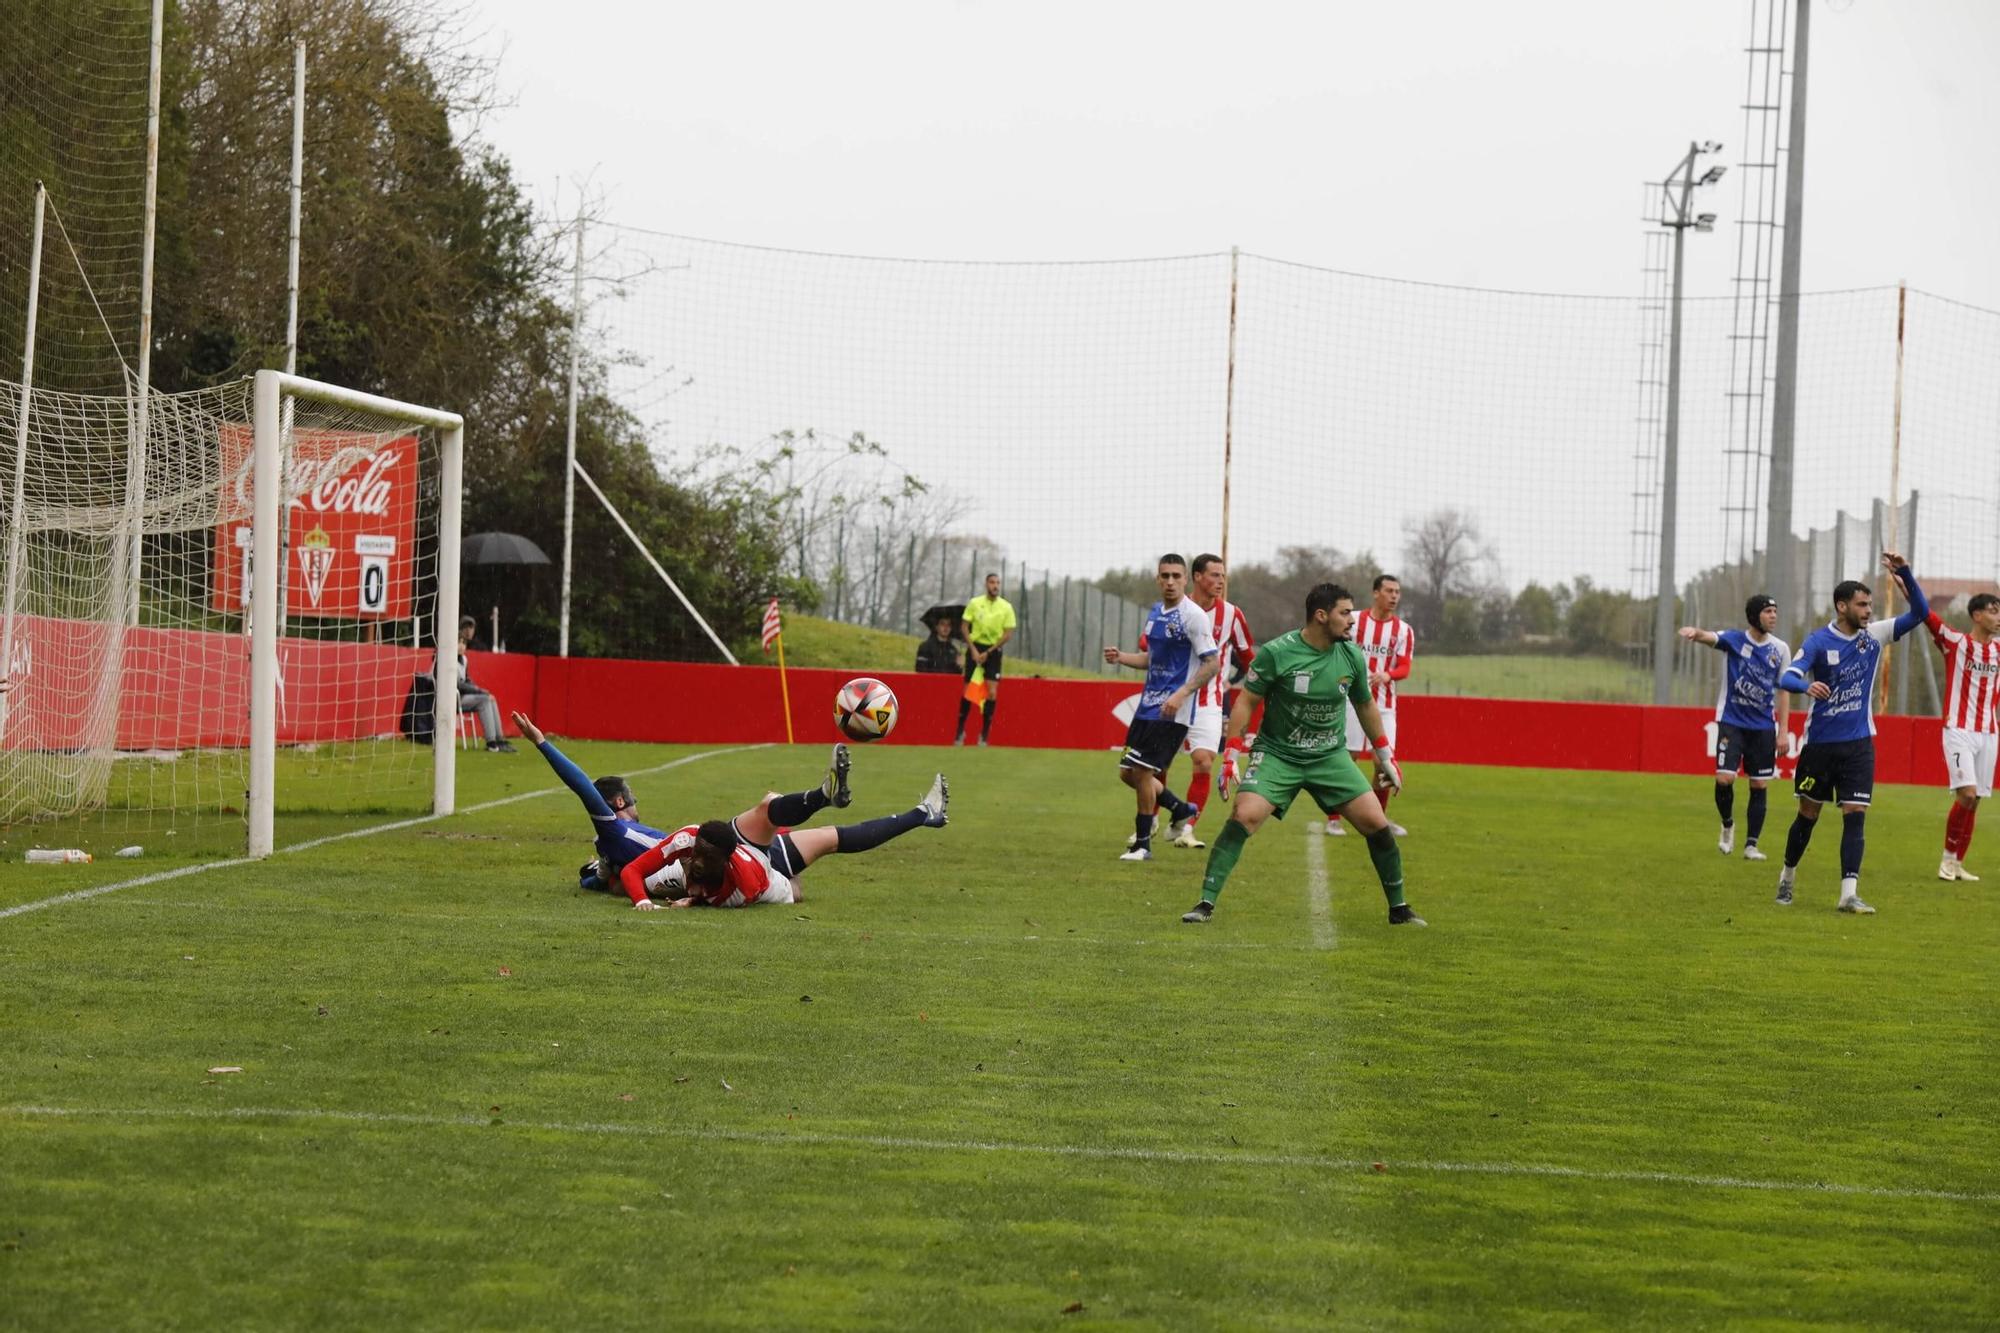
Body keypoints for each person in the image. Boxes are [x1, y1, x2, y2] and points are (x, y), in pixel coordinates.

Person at [1181, 582, 1425, 927]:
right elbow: (1247, 700)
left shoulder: (1351, 655)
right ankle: (1205, 903)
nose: (1351, 621)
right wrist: (1231, 755)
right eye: (1345, 613)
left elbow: (1365, 704)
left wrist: (1386, 755)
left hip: (1330, 757)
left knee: (1377, 824)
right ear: (1321, 616)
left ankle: (1399, 909)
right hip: (1278, 755)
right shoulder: (1277, 652)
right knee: (1244, 815)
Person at [512, 709, 826, 890]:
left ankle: (813, 814)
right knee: (776, 819)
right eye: (631, 798)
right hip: (710, 862)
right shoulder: (613, 832)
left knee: (786, 834)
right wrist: (541, 742)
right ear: (619, 802)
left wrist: (593, 878)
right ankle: (820, 803)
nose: (636, 803)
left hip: (698, 861)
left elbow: (599, 881)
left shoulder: (609, 844)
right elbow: (582, 785)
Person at [1772, 552, 1929, 914]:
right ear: (1841, 606)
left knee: (1855, 813)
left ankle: (1848, 894)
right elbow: (1788, 676)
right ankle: (1787, 876)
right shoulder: (1816, 642)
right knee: (1807, 817)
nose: (1869, 611)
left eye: (1870, 605)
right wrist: (1805, 688)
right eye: (1862, 605)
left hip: (1859, 744)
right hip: (1820, 746)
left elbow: (1919, 614)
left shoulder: (1873, 637)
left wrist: (1904, 573)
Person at [615, 766, 950, 909]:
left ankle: (822, 794)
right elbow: (631, 873)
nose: (694, 867)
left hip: (754, 857)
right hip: (771, 875)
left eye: (698, 870)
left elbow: (632, 874)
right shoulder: (743, 888)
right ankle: (924, 814)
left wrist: (678, 900)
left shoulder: (740, 879)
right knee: (831, 839)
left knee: (767, 806)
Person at [1103, 553, 1219, 862]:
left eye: (1176, 576)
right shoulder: (1156, 612)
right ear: (1158, 579)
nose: (1170, 582)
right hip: (1147, 707)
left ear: (1185, 579)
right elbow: (1153, 659)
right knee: (1127, 773)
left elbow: (1212, 663)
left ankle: (1142, 845)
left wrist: (1181, 694)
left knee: (1141, 772)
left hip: (1172, 711)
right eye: (1165, 576)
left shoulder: (1194, 616)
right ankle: (1180, 809)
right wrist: (1122, 657)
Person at [1678, 594, 1792, 861]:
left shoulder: (1781, 649)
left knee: (1759, 784)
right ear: (1754, 616)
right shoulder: (1736, 640)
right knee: (1724, 778)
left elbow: (1785, 689)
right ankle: (1727, 824)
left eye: (1775, 611)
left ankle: (1751, 845)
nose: (1773, 616)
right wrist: (1695, 633)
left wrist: (1783, 730)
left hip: (1763, 726)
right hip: (1732, 721)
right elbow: (1712, 637)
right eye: (1768, 611)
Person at [1167, 553, 1255, 850]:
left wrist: (1254, 681)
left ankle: (1188, 828)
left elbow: (1247, 656)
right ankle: (1151, 821)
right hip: (1172, 697)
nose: (1220, 581)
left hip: (1210, 700)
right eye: (1214, 575)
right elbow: (1148, 644)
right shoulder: (1174, 608)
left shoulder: (1232, 614)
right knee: (1156, 765)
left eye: (1223, 576)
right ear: (1197, 577)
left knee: (1204, 761)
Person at [1327, 574, 1413, 838]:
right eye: (1389, 591)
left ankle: (1379, 820)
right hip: (1351, 701)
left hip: (1385, 705)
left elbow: (1405, 667)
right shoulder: (1354, 620)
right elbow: (1335, 650)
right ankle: (1333, 818)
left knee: (1382, 762)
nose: (1394, 596)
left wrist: (1388, 675)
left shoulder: (1403, 630)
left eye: (1397, 592)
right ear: (1376, 593)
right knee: (1347, 758)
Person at [1924, 591, 2000, 882]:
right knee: (1966, 794)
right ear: (1977, 615)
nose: (1997, 616)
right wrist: (1903, 576)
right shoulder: (1956, 642)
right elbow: (1927, 615)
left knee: (1976, 799)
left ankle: (1957, 863)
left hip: (1989, 732)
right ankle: (1946, 859)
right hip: (1958, 729)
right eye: (1992, 611)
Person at [955, 573, 1016, 745]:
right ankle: (960, 731)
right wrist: (973, 650)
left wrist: (989, 652)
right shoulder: (975, 603)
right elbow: (964, 627)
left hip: (993, 651)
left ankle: (984, 734)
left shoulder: (1006, 607)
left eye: (997, 582)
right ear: (986, 584)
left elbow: (1008, 633)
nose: (995, 585)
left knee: (991, 692)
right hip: (975, 648)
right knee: (967, 691)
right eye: (992, 582)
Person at [442, 615, 514, 752]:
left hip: (462, 697)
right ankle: (491, 742)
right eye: (459, 643)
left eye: (464, 643)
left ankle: (499, 739)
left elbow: (467, 680)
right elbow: (458, 684)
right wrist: (479, 691)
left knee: (490, 699)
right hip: (451, 698)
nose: (462, 646)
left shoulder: (463, 659)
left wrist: (480, 689)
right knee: (484, 700)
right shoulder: (447, 659)